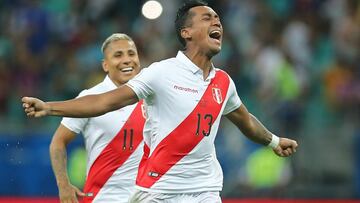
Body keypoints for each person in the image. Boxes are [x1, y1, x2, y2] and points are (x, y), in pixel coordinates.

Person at [23, 1, 298, 202]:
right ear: (186, 33)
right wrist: (49, 107)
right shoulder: (161, 72)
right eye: (206, 18)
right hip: (160, 192)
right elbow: (105, 102)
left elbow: (245, 120)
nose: (217, 22)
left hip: (206, 190)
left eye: (217, 18)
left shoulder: (224, 82)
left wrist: (273, 141)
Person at [48, 33, 145, 203]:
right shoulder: (90, 97)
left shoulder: (152, 96)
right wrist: (63, 185)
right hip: (103, 197)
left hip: (147, 196)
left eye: (131, 53)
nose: (127, 60)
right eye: (118, 55)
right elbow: (58, 142)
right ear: (105, 65)